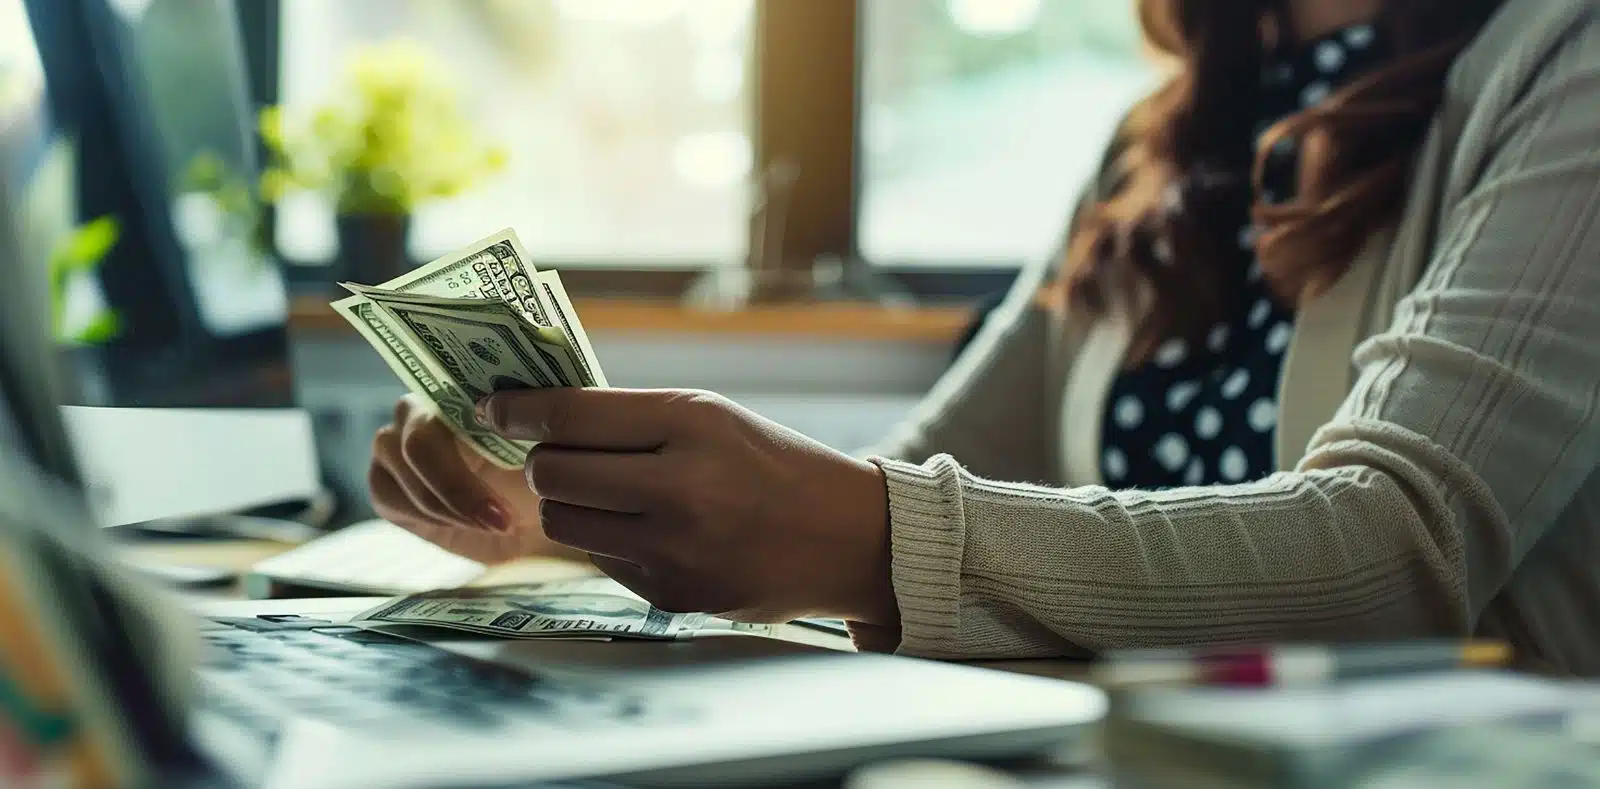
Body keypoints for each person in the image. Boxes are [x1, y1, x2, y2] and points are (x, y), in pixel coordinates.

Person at [369, 0, 1600, 674]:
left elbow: (1399, 552)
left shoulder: (1565, 57)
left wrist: (856, 531)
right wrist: (574, 505)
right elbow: (913, 479)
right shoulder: (1157, 139)